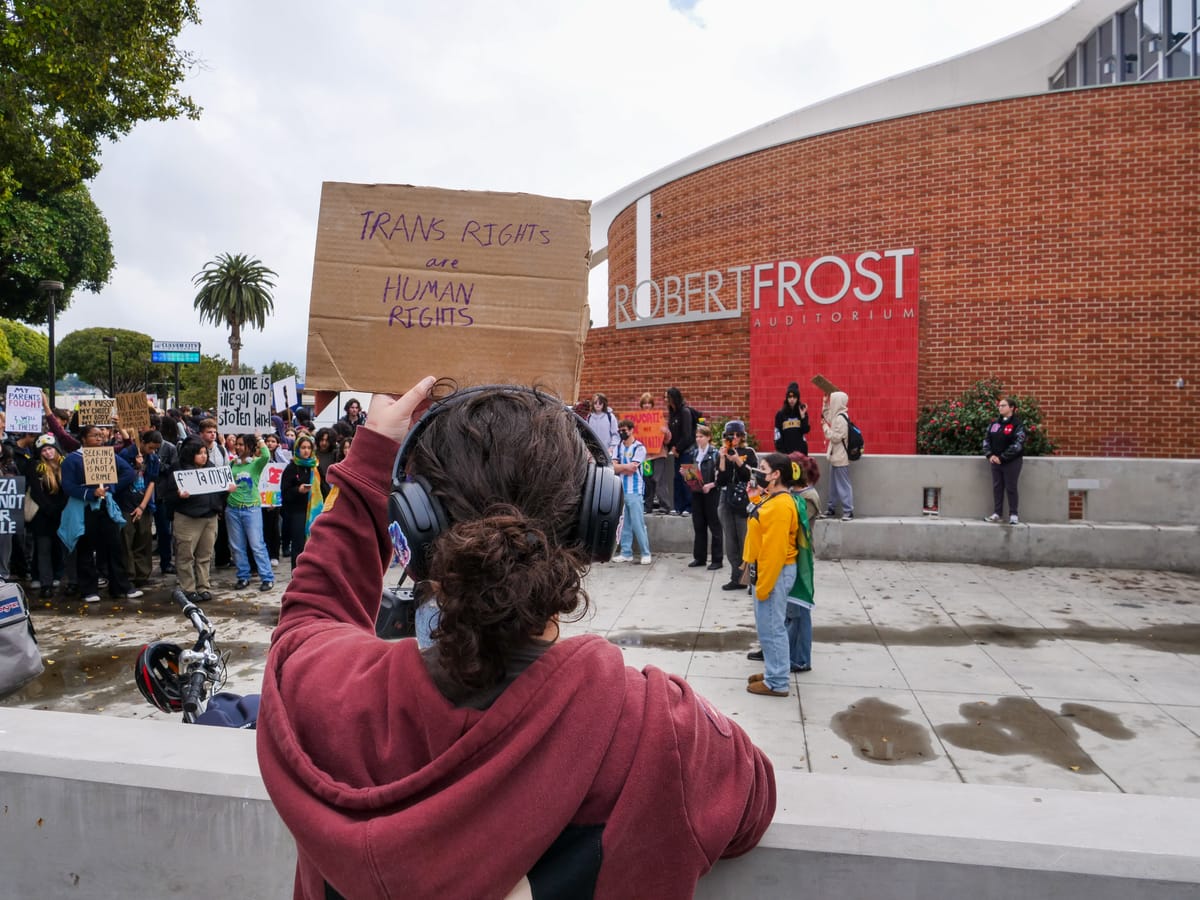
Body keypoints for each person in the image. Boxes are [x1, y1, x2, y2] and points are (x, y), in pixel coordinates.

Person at [256, 378, 775, 898]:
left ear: (413, 532)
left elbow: (309, 615)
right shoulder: (664, 735)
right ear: (595, 526)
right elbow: (756, 805)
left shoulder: (322, 698)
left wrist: (371, 459)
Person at [59, 424, 141, 603]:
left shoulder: (108, 455)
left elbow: (128, 472)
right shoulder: (72, 460)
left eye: (100, 435)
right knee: (86, 548)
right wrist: (90, 492)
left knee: (114, 546)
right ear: (83, 439)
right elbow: (67, 486)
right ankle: (88, 589)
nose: (99, 438)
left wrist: (111, 488)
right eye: (94, 436)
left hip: (106, 507)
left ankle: (120, 586)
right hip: (84, 509)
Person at [742, 453, 800, 697]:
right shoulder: (772, 500)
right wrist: (754, 499)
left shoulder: (780, 506)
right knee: (767, 626)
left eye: (762, 469)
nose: (758, 473)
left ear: (776, 475)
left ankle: (777, 681)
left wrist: (764, 585)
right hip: (767, 570)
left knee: (772, 627)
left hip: (773, 571)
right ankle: (773, 672)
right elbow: (758, 520)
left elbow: (774, 550)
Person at [161, 439, 230, 603]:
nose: (204, 456)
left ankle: (203, 587)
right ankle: (188, 588)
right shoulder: (178, 469)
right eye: (200, 453)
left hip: (209, 517)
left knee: (205, 555)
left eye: (205, 453)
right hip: (187, 518)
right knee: (185, 555)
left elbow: (218, 492)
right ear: (191, 454)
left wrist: (224, 495)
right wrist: (179, 496)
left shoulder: (211, 468)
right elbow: (167, 497)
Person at [227, 434, 275, 592]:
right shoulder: (232, 464)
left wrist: (259, 438)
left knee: (257, 545)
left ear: (249, 446)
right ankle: (243, 576)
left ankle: (267, 578)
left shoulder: (255, 463)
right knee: (237, 546)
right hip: (233, 509)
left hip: (251, 509)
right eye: (237, 444)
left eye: (242, 444)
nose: (238, 447)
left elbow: (267, 455)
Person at [716, 420, 757, 591]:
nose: (734, 438)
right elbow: (720, 480)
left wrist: (738, 461)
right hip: (726, 497)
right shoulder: (722, 452)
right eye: (731, 435)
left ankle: (748, 577)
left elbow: (752, 476)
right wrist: (723, 459)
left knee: (744, 538)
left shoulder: (749, 452)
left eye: (738, 435)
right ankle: (736, 576)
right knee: (731, 540)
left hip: (743, 498)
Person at [27, 435, 67, 599]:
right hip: (43, 515)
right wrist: (48, 508)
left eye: (50, 448)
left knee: (58, 547)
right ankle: (45, 583)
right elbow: (36, 491)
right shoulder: (35, 466)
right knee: (43, 548)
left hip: (62, 512)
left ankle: (57, 575)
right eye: (44, 450)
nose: (48, 452)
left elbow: (68, 487)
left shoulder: (65, 465)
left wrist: (60, 508)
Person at [612, 417, 651, 564]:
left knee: (637, 522)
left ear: (631, 430)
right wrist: (624, 467)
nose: (622, 433)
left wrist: (620, 467)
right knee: (624, 523)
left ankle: (645, 553)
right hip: (621, 490)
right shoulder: (618, 447)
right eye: (620, 431)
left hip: (634, 490)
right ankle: (626, 552)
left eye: (624, 431)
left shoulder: (639, 447)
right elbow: (614, 467)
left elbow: (633, 468)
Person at [983, 396, 1027, 525]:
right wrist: (990, 455)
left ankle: (1013, 514)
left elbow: (1018, 444)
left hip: (1011, 462)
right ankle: (997, 513)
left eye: (1003, 406)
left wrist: (1002, 457)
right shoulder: (994, 424)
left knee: (1011, 487)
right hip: (995, 461)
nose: (1000, 408)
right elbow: (986, 440)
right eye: (999, 406)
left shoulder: (1017, 425)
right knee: (997, 487)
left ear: (1012, 408)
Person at [685, 424, 723, 571]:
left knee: (714, 525)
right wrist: (687, 474)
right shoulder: (694, 453)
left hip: (711, 492)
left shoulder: (715, 454)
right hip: (697, 492)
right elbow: (694, 473)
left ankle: (717, 559)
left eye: (701, 436)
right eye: (697, 436)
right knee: (699, 525)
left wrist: (711, 485)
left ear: (708, 437)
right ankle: (699, 557)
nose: (698, 439)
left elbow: (721, 475)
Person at [280, 434, 318, 569]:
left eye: (308, 448)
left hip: (314, 512)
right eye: (303, 448)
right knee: (298, 545)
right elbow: (285, 492)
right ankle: (296, 575)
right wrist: (298, 490)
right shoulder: (291, 468)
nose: (306, 451)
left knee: (313, 545)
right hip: (297, 512)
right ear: (297, 449)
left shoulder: (315, 466)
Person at [821, 391, 854, 521]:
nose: (831, 402)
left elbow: (835, 437)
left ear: (837, 402)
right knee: (833, 485)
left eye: (832, 401)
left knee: (843, 485)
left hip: (841, 458)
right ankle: (831, 508)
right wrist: (824, 403)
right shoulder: (837, 416)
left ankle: (848, 511)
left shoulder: (841, 418)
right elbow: (828, 416)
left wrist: (824, 427)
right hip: (835, 457)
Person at [638, 391, 671, 515]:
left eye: (649, 403)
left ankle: (665, 506)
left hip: (658, 455)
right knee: (648, 480)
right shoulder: (639, 421)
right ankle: (648, 506)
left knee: (659, 479)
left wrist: (665, 432)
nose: (646, 406)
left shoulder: (659, 418)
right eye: (644, 404)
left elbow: (668, 439)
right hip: (646, 457)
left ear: (652, 405)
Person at [261, 432, 292, 565]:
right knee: (263, 527)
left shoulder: (281, 459)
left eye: (273, 441)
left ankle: (274, 554)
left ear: (277, 444)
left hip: (276, 498)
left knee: (274, 526)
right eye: (268, 441)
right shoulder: (260, 457)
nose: (270, 444)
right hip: (261, 498)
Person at [664, 387, 695, 516]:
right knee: (677, 479)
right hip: (677, 452)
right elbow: (673, 434)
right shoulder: (672, 413)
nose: (665, 400)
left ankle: (690, 507)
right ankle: (678, 507)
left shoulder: (685, 412)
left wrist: (677, 448)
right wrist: (672, 447)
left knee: (688, 479)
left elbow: (687, 435)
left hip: (687, 451)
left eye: (667, 397)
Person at [773, 382, 810, 455]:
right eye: (790, 397)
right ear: (787, 398)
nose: (792, 399)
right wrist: (782, 452)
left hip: (800, 454)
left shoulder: (802, 412)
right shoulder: (780, 414)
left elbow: (805, 430)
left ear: (797, 398)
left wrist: (803, 417)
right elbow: (777, 434)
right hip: (785, 454)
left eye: (794, 397)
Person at [585, 392, 620, 459]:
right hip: (592, 453)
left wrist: (611, 449)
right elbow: (587, 435)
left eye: (600, 403)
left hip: (607, 453)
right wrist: (588, 449)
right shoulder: (589, 417)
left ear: (604, 404)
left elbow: (615, 435)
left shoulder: (610, 417)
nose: (597, 405)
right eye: (595, 403)